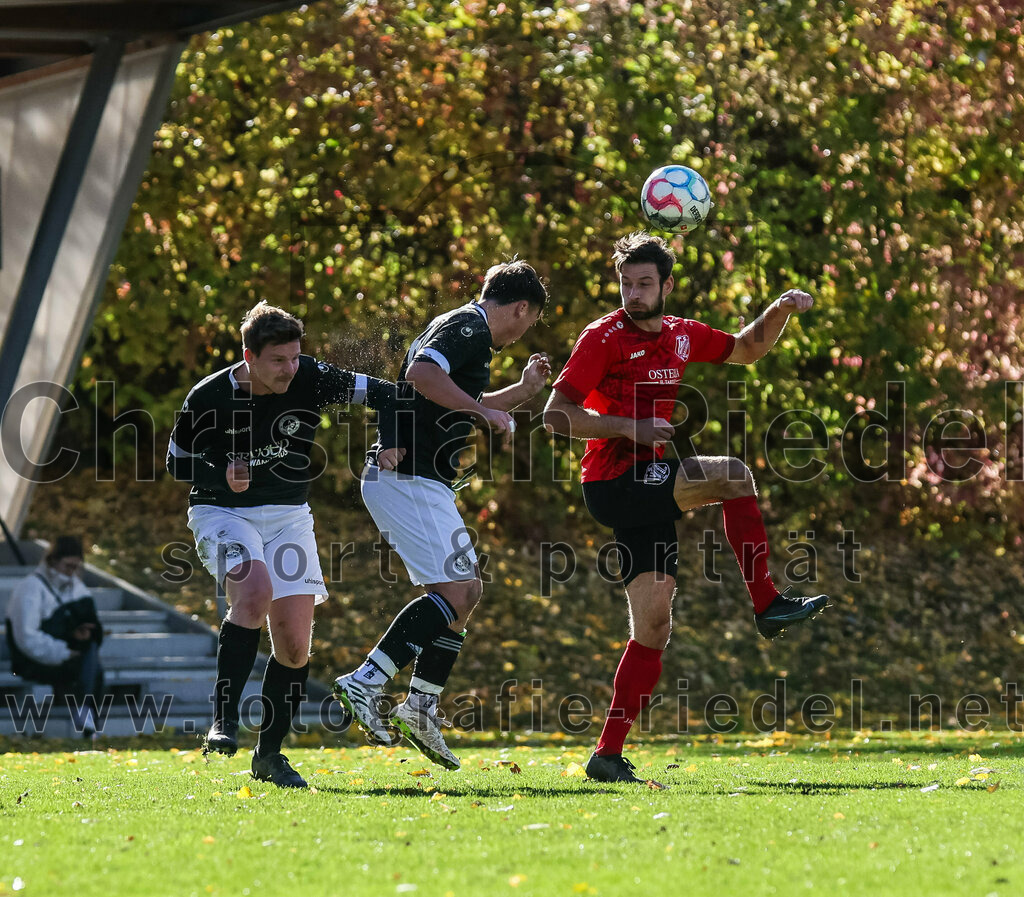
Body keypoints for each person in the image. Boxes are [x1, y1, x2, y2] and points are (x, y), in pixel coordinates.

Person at [543, 232, 829, 783]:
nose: (634, 294)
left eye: (645, 284)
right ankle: (767, 603)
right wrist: (630, 426)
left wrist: (780, 309)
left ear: (667, 284)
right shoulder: (602, 337)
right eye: (626, 283)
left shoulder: (680, 335)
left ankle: (605, 756)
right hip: (613, 481)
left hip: (644, 489)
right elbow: (557, 416)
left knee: (653, 625)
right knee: (732, 475)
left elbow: (747, 348)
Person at [167, 301, 399, 788]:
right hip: (222, 513)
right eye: (278, 360)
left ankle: (269, 757)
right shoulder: (209, 396)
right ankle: (224, 721)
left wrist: (389, 443)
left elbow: (387, 395)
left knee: (294, 646)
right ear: (249, 356)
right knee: (253, 594)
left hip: (290, 518)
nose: (290, 369)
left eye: (295, 357)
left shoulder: (311, 377)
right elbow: (175, 462)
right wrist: (219, 473)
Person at [333, 259, 550, 770]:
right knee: (457, 591)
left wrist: (520, 392)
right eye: (530, 321)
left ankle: (421, 706)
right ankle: (366, 682)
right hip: (406, 480)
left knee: (466, 591)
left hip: (420, 482)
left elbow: (457, 398)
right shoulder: (469, 327)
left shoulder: (468, 331)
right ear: (521, 308)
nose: (524, 333)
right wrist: (482, 413)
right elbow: (420, 375)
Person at [4, 536, 104, 736]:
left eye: (76, 567)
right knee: (86, 665)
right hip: (32, 659)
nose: (71, 572)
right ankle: (85, 717)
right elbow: (26, 637)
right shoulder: (30, 588)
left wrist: (81, 636)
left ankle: (86, 717)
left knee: (89, 656)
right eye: (68, 566)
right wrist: (64, 652)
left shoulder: (76, 587)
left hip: (68, 652)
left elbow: (94, 627)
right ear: (53, 561)